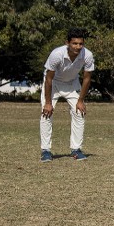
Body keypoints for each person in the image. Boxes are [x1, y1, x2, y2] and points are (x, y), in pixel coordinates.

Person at [40, 28, 95, 162]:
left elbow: (87, 78)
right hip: (53, 83)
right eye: (74, 43)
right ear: (67, 43)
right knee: (47, 113)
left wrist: (81, 100)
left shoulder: (87, 55)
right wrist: (48, 103)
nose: (78, 47)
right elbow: (48, 79)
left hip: (71, 83)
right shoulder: (56, 54)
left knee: (79, 112)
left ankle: (76, 149)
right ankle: (46, 151)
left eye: (80, 44)